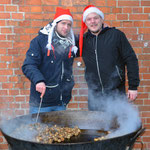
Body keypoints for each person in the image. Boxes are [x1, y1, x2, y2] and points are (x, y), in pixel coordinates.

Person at [78, 5, 140, 110]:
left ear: (101, 19)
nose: (93, 21)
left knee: (117, 125)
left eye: (96, 18)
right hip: (94, 96)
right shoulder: (83, 40)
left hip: (115, 93)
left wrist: (133, 87)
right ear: (86, 22)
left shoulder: (116, 35)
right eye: (89, 19)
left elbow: (131, 60)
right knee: (96, 125)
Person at [22, 7, 78, 114]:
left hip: (61, 102)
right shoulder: (39, 41)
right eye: (63, 23)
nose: (66, 27)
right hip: (41, 102)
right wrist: (39, 80)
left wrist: (102, 29)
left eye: (69, 24)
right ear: (56, 23)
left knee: (60, 131)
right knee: (38, 130)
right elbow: (28, 65)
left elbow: (90, 40)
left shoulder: (71, 42)